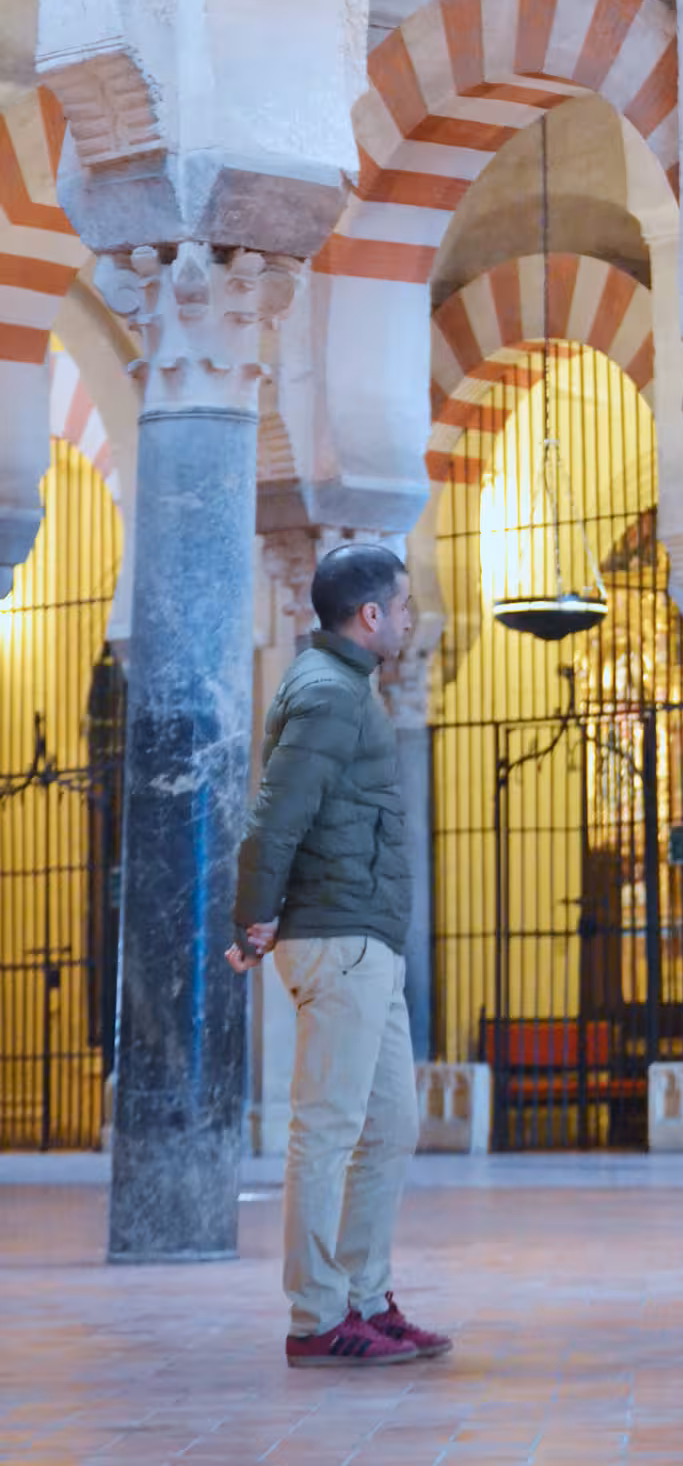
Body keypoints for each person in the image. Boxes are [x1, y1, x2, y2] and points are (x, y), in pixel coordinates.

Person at [226, 544, 451, 1369]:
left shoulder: (345, 688)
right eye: (401, 607)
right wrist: (253, 917)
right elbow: (274, 818)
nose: (407, 620)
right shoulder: (327, 694)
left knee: (392, 1123)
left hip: (368, 941)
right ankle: (316, 1316)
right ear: (369, 616)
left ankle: (363, 1296)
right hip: (338, 939)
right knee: (325, 1132)